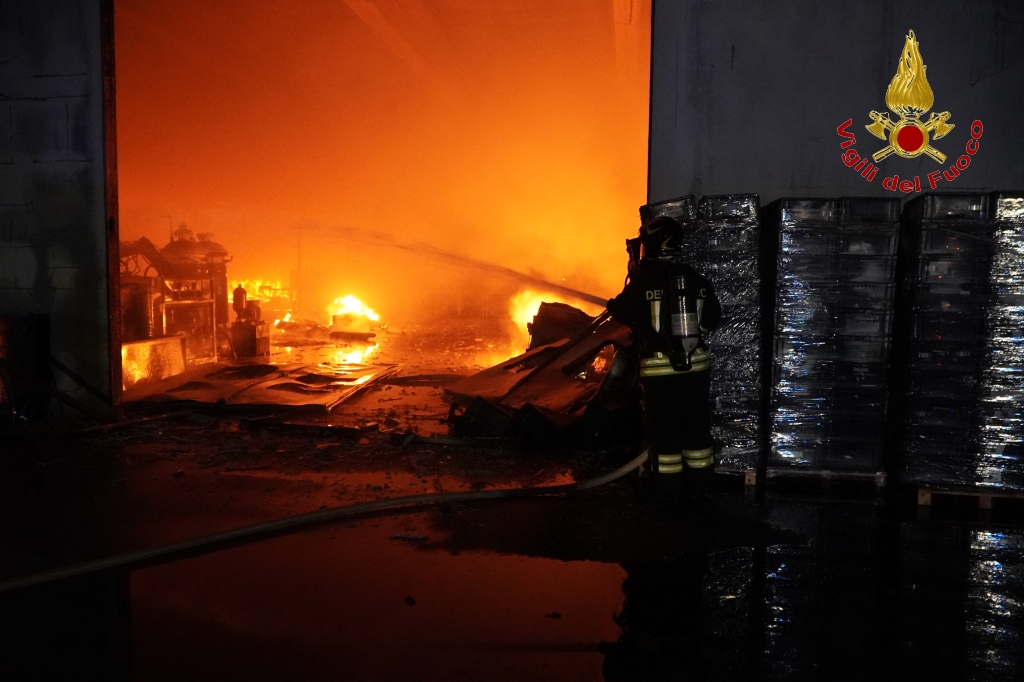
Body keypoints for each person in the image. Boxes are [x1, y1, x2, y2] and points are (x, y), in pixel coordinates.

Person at [607, 216, 721, 496]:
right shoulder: (696, 279)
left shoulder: (644, 281)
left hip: (661, 373)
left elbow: (622, 312)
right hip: (697, 370)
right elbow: (712, 321)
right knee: (696, 431)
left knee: (665, 434)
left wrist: (613, 304)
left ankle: (668, 495)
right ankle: (701, 490)